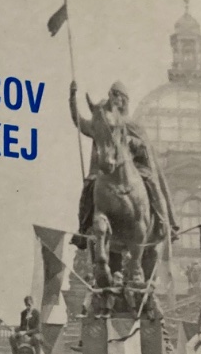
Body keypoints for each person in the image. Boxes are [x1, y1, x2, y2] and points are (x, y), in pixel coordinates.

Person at [69, 80, 180, 246]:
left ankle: (164, 223)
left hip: (136, 168)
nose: (114, 99)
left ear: (125, 100)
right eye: (112, 95)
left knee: (152, 184)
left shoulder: (132, 124)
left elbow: (144, 147)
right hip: (106, 170)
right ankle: (84, 228)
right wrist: (72, 98)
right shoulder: (104, 122)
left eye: (117, 95)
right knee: (89, 186)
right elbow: (79, 122)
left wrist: (130, 142)